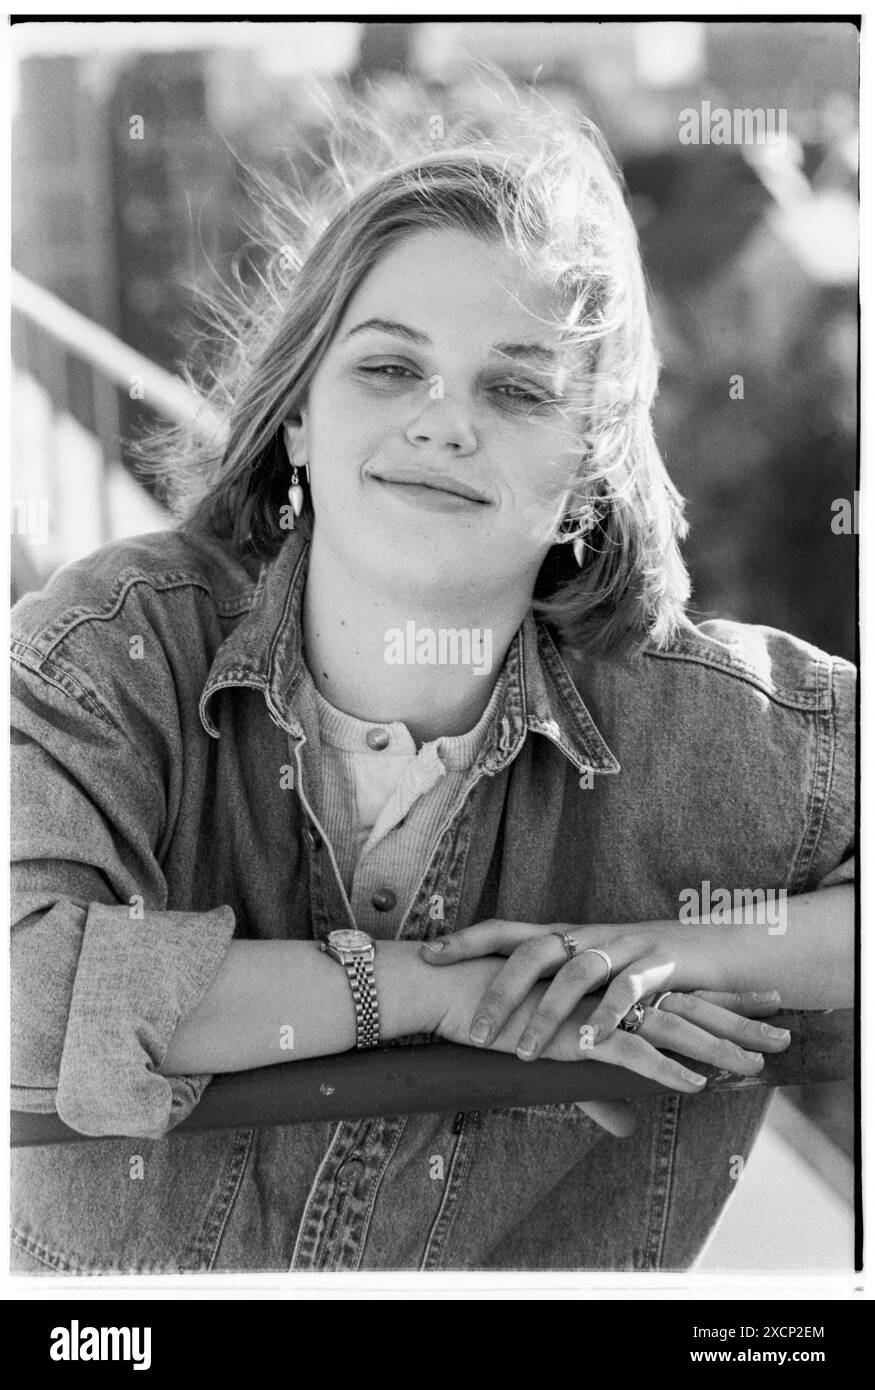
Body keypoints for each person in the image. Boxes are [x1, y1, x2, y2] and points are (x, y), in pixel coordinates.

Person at [11, 107, 854, 1274]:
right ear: (299, 415)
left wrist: (660, 953)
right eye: (391, 366)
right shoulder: (112, 655)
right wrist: (427, 990)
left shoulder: (719, 734)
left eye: (515, 391)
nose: (443, 422)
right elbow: (26, 998)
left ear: (586, 477)